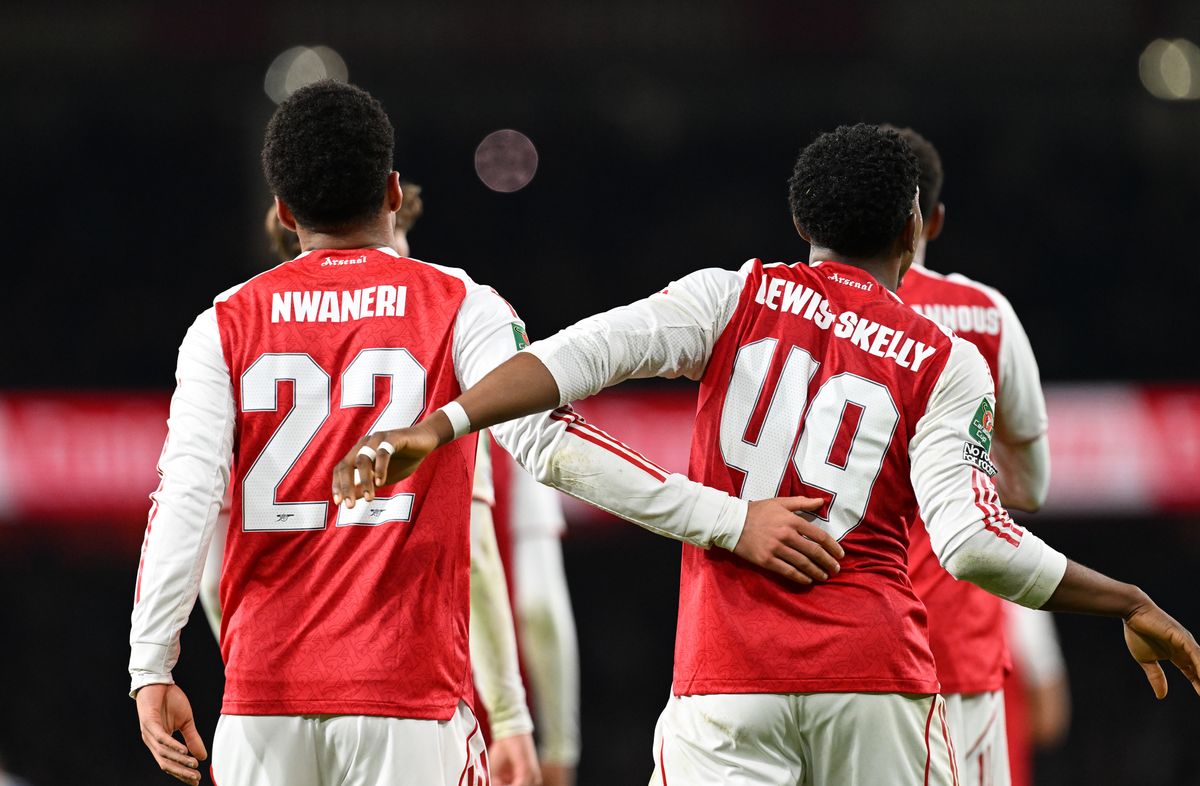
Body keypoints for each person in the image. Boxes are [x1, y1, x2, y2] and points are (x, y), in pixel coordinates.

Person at [336, 123, 1200, 786]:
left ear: (799, 220)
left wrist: (441, 423)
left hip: (726, 682)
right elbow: (974, 542)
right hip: (876, 680)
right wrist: (1126, 599)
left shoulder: (730, 297)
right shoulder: (945, 358)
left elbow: (566, 360)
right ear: (913, 231)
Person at [130, 79, 832, 786]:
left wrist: (151, 664)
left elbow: (186, 499)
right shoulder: (461, 305)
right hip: (410, 708)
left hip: (263, 713)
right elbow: (550, 447)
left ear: (283, 210)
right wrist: (727, 519)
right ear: (394, 193)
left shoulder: (221, 325)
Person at [198, 180, 538, 769]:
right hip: (400, 691)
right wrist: (508, 718)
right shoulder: (439, 339)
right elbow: (477, 557)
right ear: (388, 209)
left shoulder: (234, 333)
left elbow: (207, 569)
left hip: (267, 698)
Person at [266, 181, 583, 784]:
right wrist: (541, 737)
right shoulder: (472, 388)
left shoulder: (243, 366)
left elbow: (210, 579)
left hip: (275, 703)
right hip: (433, 710)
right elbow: (535, 602)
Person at [890, 124, 1065, 786]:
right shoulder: (986, 314)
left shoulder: (801, 312)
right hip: (959, 650)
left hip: (838, 649)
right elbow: (1031, 488)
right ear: (932, 219)